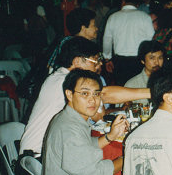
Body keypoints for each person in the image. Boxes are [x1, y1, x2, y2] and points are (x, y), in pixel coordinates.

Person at [20, 37, 150, 156]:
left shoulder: (61, 77)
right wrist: (152, 92)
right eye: (95, 61)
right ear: (77, 61)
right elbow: (104, 94)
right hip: (38, 155)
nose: (99, 65)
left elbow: (98, 115)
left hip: (49, 149)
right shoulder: (62, 81)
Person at [103, 0, 155, 85]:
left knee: (122, 87)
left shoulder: (113, 17)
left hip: (120, 61)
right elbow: (151, 40)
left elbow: (107, 40)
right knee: (140, 87)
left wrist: (107, 58)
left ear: (123, 2)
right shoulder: (144, 17)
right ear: (137, 4)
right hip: (139, 60)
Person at [47, 8, 98, 72]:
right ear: (83, 28)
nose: (96, 29)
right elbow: (50, 66)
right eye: (94, 26)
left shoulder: (89, 44)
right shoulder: (67, 43)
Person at [124, 40, 165, 105]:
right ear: (143, 60)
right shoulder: (132, 85)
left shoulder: (169, 81)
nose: (157, 62)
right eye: (152, 58)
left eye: (160, 58)